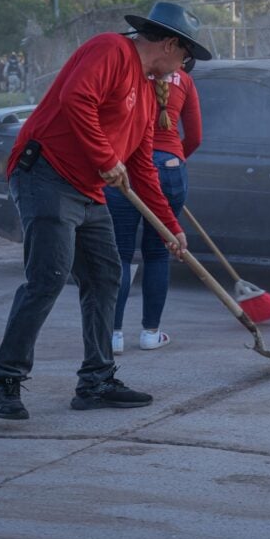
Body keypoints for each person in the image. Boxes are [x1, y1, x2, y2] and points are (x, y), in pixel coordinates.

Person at [0, 2, 213, 420]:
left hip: (88, 190)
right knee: (47, 277)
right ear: (170, 44)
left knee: (106, 276)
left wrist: (169, 228)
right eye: (186, 56)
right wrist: (106, 158)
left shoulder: (144, 93)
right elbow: (76, 98)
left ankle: (96, 381)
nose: (184, 67)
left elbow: (141, 167)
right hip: (45, 176)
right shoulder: (110, 50)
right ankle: (3, 379)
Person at [105, 63, 202, 354]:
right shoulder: (184, 80)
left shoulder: (132, 74)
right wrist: (171, 160)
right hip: (171, 167)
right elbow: (195, 136)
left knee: (120, 254)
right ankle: (151, 333)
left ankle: (113, 335)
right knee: (158, 253)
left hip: (127, 168)